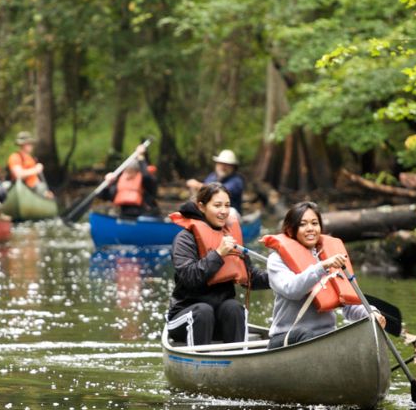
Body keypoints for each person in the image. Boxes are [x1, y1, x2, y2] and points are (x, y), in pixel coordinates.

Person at [261, 201, 386, 349]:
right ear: (290, 229)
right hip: (287, 338)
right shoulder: (277, 259)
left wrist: (371, 313)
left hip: (324, 337)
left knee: (360, 329)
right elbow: (292, 290)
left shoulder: (330, 255)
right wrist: (322, 266)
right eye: (303, 224)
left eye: (314, 223)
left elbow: (349, 304)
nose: (310, 229)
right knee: (305, 334)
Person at [165, 183, 269, 346]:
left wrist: (282, 277)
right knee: (203, 311)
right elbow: (190, 278)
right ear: (202, 206)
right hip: (187, 317)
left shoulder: (230, 236)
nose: (224, 211)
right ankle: (199, 366)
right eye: (217, 205)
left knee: (234, 308)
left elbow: (251, 278)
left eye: (227, 205)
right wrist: (218, 254)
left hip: (218, 317)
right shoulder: (185, 239)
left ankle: (238, 364)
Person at [98, 142, 159, 218]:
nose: (128, 174)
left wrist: (141, 157)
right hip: (124, 214)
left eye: (131, 171)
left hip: (145, 214)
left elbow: (146, 175)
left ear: (137, 171)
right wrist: (107, 184)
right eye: (127, 171)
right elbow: (103, 196)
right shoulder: (121, 182)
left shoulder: (147, 181)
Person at [186, 149, 244, 214]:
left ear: (233, 167)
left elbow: (221, 191)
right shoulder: (212, 176)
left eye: (227, 164)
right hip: (212, 212)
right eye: (221, 163)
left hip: (230, 215)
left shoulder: (236, 181)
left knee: (232, 212)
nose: (223, 167)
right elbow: (204, 193)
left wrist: (198, 185)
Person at [7, 131, 54, 199]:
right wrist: (36, 170)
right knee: (40, 188)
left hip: (35, 189)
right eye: (29, 144)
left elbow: (35, 179)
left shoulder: (31, 159)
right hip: (24, 189)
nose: (31, 146)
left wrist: (46, 192)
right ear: (23, 145)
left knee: (43, 189)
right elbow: (18, 175)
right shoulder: (14, 157)